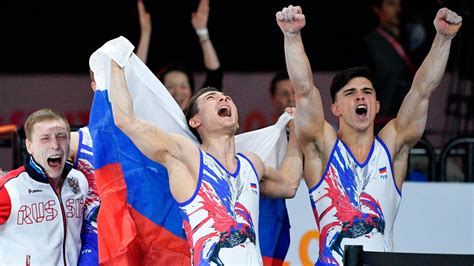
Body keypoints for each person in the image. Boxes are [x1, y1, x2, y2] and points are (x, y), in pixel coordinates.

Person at [276, 5, 461, 265]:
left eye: (367, 92)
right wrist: (292, 37)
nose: (360, 96)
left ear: (376, 106)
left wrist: (443, 39)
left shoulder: (392, 146)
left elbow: (422, 90)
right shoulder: (324, 147)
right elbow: (304, 89)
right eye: (350, 93)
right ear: (336, 108)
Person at [108, 58, 303, 264]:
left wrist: (296, 130)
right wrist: (115, 64)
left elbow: (289, 185)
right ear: (195, 121)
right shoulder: (188, 157)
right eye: (212, 97)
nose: (224, 99)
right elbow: (126, 121)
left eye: (227, 97)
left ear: (237, 122)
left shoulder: (251, 164)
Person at [0, 108, 89, 265]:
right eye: (45, 138)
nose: (55, 145)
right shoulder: (10, 189)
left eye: (61, 136)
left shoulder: (80, 181)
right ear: (29, 146)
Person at [136, 0, 223, 110]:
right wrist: (145, 33)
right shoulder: (150, 115)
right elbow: (136, 77)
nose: (177, 92)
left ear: (192, 93)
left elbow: (215, 75)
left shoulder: (197, 121)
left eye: (183, 86)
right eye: (170, 87)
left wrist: (202, 32)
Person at [359, 0, 416, 131]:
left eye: (399, 4)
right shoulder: (369, 44)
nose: (398, 10)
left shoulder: (411, 41)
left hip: (407, 120)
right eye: (391, 4)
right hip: (381, 123)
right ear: (377, 9)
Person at [68, 72, 101, 266]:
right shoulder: (76, 141)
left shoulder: (145, 141)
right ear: (95, 86)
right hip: (94, 243)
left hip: (136, 240)